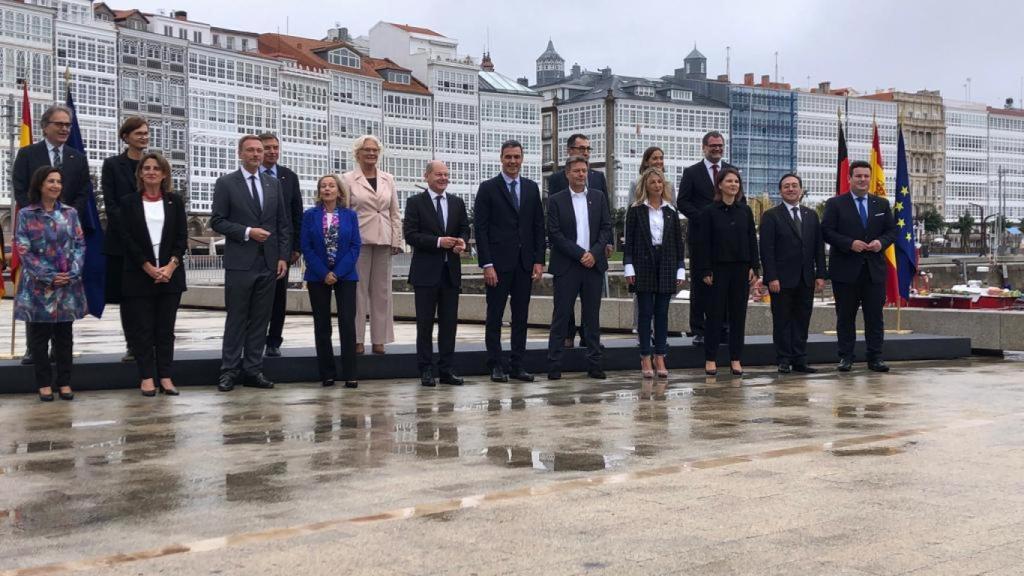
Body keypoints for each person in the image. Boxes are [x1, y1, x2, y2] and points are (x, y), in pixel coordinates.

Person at [12, 104, 92, 365]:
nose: (64, 129)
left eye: (68, 125)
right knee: (37, 294)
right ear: (45, 126)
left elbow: (82, 193)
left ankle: (60, 351)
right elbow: (20, 187)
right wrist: (37, 213)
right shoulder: (27, 154)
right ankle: (34, 349)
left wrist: (64, 214)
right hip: (36, 233)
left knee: (62, 295)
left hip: (66, 237)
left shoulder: (77, 158)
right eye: (59, 124)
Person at [210, 135, 290, 392]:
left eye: (260, 150)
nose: (257, 154)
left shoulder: (272, 184)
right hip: (240, 262)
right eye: (251, 150)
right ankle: (229, 370)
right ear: (240, 153)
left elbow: (282, 224)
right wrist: (247, 232)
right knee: (236, 317)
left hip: (268, 262)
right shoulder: (226, 183)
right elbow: (218, 221)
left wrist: (282, 257)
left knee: (260, 319)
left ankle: (253, 369)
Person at [473, 140, 545, 383]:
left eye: (516, 157)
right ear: (501, 159)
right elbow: (480, 229)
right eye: (508, 157)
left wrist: (538, 260)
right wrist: (487, 264)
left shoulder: (531, 188)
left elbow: (538, 226)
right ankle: (495, 364)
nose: (513, 161)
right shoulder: (488, 188)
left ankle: (518, 365)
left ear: (522, 158)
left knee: (521, 317)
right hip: (498, 265)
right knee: (494, 316)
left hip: (524, 264)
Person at [14, 167, 87, 401]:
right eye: (50, 181)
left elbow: (79, 244)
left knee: (64, 336)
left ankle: (64, 382)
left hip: (67, 285)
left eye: (58, 181)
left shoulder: (70, 213)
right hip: (38, 287)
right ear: (39, 185)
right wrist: (48, 276)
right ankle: (44, 384)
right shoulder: (26, 214)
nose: (56, 185)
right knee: (39, 337)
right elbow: (23, 248)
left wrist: (72, 272)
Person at [119, 153, 187, 396]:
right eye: (146, 168)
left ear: (164, 173)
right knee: (143, 330)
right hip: (139, 276)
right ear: (139, 174)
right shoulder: (128, 202)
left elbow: (181, 238)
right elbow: (126, 238)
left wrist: (170, 266)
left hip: (170, 277)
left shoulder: (174, 202)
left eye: (156, 168)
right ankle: (147, 377)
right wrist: (147, 266)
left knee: (165, 330)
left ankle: (166, 376)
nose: (151, 172)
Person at [821, 160, 897, 373]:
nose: (863, 180)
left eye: (866, 176)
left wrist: (881, 243)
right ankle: (846, 357)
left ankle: (875, 358)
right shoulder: (835, 204)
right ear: (849, 179)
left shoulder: (881, 204)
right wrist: (849, 243)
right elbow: (826, 231)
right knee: (845, 317)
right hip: (845, 271)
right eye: (858, 176)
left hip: (874, 271)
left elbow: (892, 231)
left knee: (875, 317)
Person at [404, 161, 470, 387]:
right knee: (424, 325)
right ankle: (425, 370)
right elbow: (410, 235)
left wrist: (461, 242)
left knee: (449, 324)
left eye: (446, 175)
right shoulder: (415, 203)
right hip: (425, 273)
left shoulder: (457, 202)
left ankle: (447, 370)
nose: (443, 178)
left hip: (450, 273)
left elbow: (464, 229)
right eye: (439, 174)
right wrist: (439, 242)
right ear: (427, 176)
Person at [546, 156, 612, 380]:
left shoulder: (598, 197)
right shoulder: (556, 200)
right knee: (561, 316)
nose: (581, 174)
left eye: (584, 171)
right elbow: (555, 234)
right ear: (567, 173)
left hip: (593, 266)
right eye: (576, 171)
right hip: (567, 266)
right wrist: (580, 254)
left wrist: (593, 253)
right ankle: (554, 365)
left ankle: (595, 364)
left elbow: (606, 228)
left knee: (592, 318)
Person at [341, 135, 404, 356]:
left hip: (384, 240)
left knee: (383, 292)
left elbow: (394, 213)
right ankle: (357, 339)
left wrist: (397, 240)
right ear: (357, 154)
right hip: (358, 241)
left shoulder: (388, 178)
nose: (371, 154)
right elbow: (345, 213)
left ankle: (380, 339)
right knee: (357, 292)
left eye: (375, 150)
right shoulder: (347, 179)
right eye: (367, 150)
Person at [760, 173, 827, 374]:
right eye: (787, 186)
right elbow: (767, 250)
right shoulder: (771, 216)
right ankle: (783, 359)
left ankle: (800, 359)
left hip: (806, 278)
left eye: (795, 185)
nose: (791, 189)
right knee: (782, 321)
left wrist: (821, 275)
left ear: (801, 189)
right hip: (781, 280)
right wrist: (771, 276)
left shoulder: (811, 215)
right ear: (780, 191)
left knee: (802, 320)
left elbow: (818, 248)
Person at [623, 168, 685, 379]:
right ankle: (645, 356)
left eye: (660, 182)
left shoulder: (671, 210)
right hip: (643, 265)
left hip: (666, 264)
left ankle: (660, 355)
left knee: (662, 314)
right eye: (653, 183)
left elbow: (678, 243)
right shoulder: (636, 210)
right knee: (645, 313)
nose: (657, 186)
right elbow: (629, 243)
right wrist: (628, 267)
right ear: (645, 186)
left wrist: (680, 269)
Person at [698, 167, 759, 377]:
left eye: (736, 182)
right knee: (714, 315)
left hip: (741, 269)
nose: (734, 185)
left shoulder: (745, 210)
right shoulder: (709, 211)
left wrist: (754, 266)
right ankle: (711, 358)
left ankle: (735, 359)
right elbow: (703, 243)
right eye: (729, 181)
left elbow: (752, 240)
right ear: (720, 185)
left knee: (738, 316)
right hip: (717, 269)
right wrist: (705, 269)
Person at [301, 174, 360, 388]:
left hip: (346, 276)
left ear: (339, 191)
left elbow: (355, 246)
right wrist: (324, 272)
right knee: (322, 325)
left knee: (347, 323)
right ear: (319, 191)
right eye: (323, 186)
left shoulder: (350, 216)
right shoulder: (310, 216)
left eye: (331, 185)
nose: (327, 189)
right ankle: (327, 373)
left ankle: (351, 373)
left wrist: (338, 272)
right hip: (318, 276)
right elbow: (306, 247)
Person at [678, 130, 735, 347]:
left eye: (720, 145)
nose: (717, 149)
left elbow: (738, 199)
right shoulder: (692, 172)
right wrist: (703, 217)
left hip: (726, 239)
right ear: (704, 147)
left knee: (726, 283)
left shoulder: (731, 171)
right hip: (701, 237)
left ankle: (724, 327)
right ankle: (699, 329)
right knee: (701, 285)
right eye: (713, 146)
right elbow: (683, 202)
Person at [102, 116, 149, 363]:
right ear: (126, 137)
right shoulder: (112, 165)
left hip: (150, 242)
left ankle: (150, 343)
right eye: (139, 133)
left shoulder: (153, 164)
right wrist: (131, 231)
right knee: (128, 297)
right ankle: (133, 345)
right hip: (121, 242)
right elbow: (111, 205)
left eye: (145, 133)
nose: (144, 136)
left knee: (149, 297)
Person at [259, 133, 304, 357]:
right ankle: (253, 340)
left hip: (281, 248)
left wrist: (296, 247)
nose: (272, 151)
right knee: (255, 299)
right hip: (255, 248)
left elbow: (296, 213)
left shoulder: (289, 177)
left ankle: (274, 340)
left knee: (278, 297)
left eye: (276, 147)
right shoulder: (251, 177)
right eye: (267, 148)